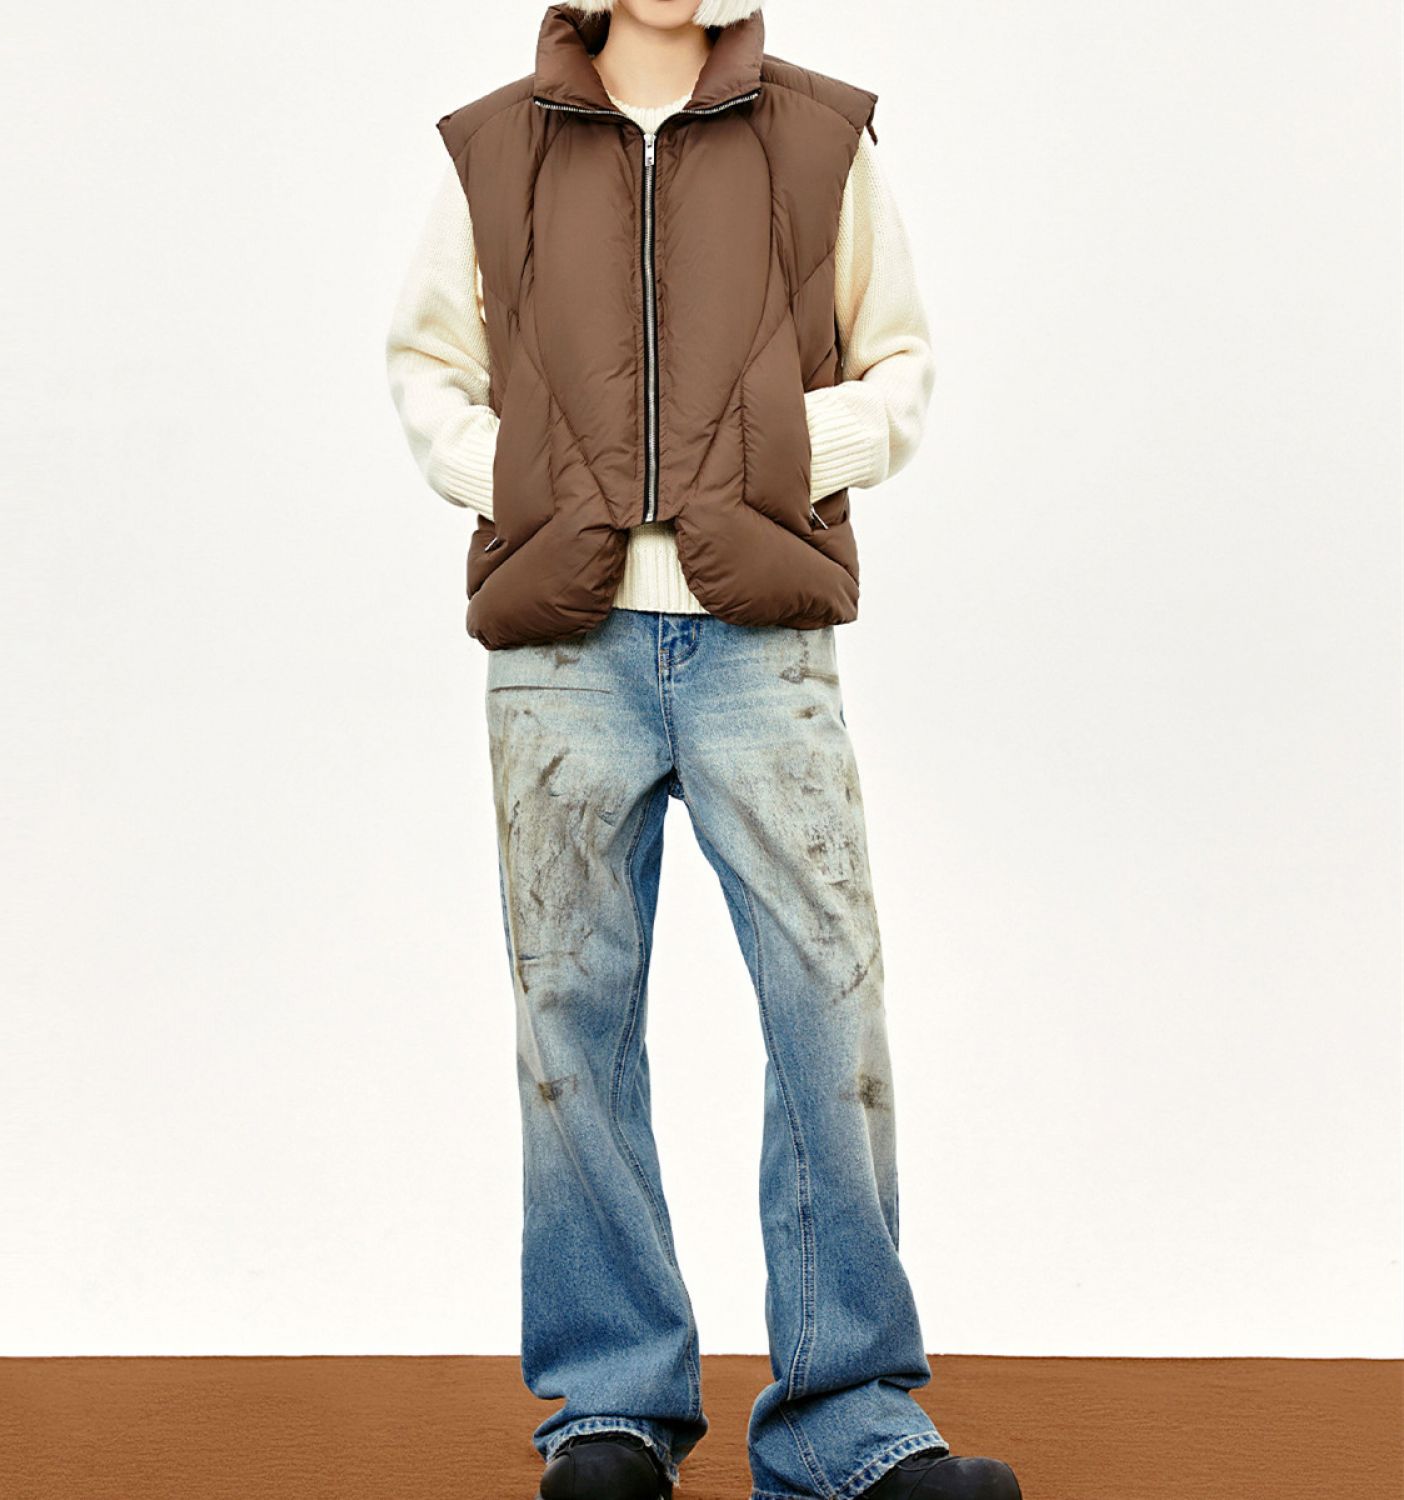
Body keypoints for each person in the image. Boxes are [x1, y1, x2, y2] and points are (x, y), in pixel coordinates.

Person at [385, 4, 1021, 1498]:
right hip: (561, 650)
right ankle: (610, 1412)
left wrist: (785, 458)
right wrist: (524, 481)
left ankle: (848, 1426)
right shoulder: (495, 146)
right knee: (572, 1024)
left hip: (762, 643)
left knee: (827, 1012)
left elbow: (901, 363)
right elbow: (427, 366)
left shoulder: (823, 133)